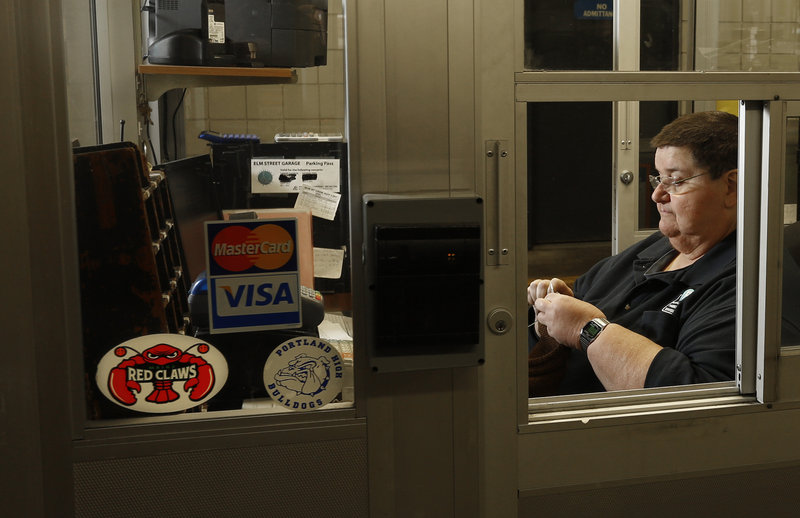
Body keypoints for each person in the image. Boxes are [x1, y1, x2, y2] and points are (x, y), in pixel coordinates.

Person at [527, 110, 739, 395]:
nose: (657, 195)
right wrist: (551, 316)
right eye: (658, 179)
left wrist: (586, 328)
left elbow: (693, 398)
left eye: (675, 181)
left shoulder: (743, 282)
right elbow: (584, 298)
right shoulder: (656, 247)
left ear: (731, 187)